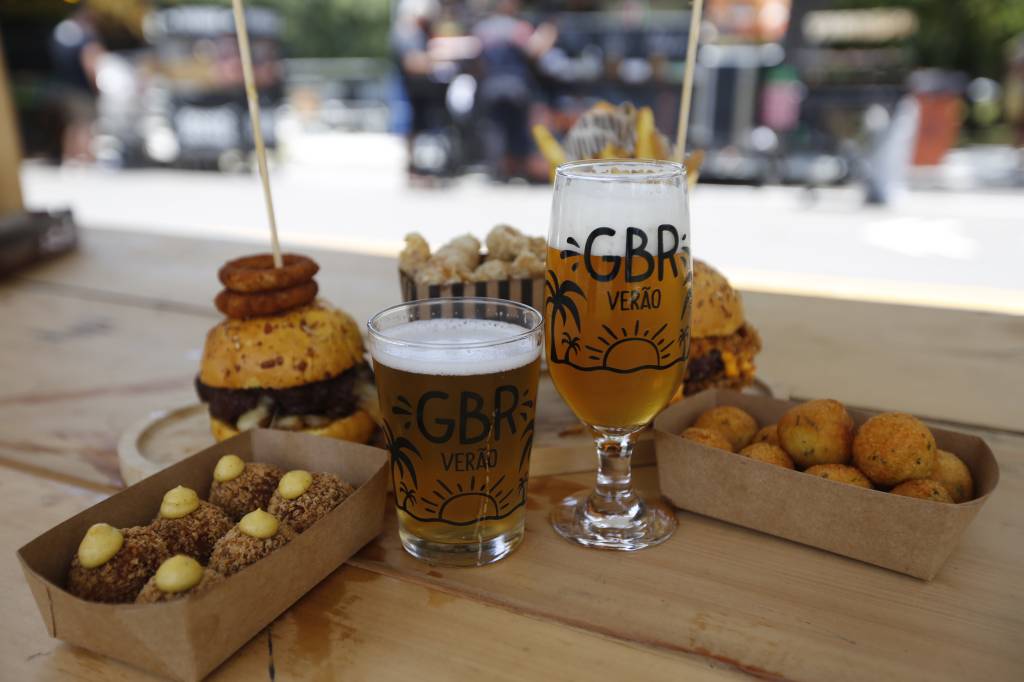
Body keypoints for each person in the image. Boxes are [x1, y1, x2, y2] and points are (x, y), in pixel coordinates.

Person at [472, 0, 556, 181]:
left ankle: (497, 170)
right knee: (517, 128)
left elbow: (477, 61)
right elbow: (535, 51)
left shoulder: (482, 29)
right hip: (516, 87)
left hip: (490, 87)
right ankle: (517, 170)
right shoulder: (519, 28)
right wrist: (549, 32)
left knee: (495, 129)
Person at [391, 0, 444, 178]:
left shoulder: (417, 32)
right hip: (408, 90)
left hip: (418, 90)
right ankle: (413, 166)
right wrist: (438, 61)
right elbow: (411, 62)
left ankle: (416, 165)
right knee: (410, 127)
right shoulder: (406, 32)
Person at [49, 5, 105, 163]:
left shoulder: (61, 32)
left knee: (72, 124)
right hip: (82, 87)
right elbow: (91, 61)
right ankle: (84, 158)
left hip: (64, 85)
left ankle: (69, 156)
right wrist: (97, 85)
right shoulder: (85, 34)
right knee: (85, 124)